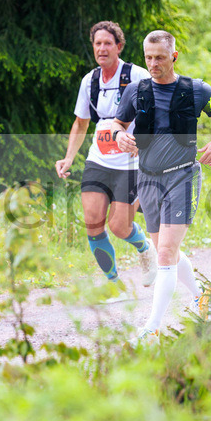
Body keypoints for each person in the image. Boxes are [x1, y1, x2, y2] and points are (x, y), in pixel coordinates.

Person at [113, 31, 211, 341]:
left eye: (160, 58)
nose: (153, 64)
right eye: (148, 58)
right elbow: (118, 124)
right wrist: (119, 136)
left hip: (182, 176)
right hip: (148, 178)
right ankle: (202, 295)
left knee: (165, 254)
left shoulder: (196, 90)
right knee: (165, 249)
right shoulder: (136, 91)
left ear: (174, 56)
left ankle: (150, 330)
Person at [55, 21, 156, 294]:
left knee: (120, 226)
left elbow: (158, 111)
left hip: (131, 163)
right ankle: (115, 285)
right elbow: (80, 123)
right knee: (93, 222)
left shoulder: (137, 75)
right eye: (97, 43)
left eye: (107, 43)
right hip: (98, 160)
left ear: (119, 46)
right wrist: (68, 159)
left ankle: (145, 248)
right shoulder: (90, 81)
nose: (102, 48)